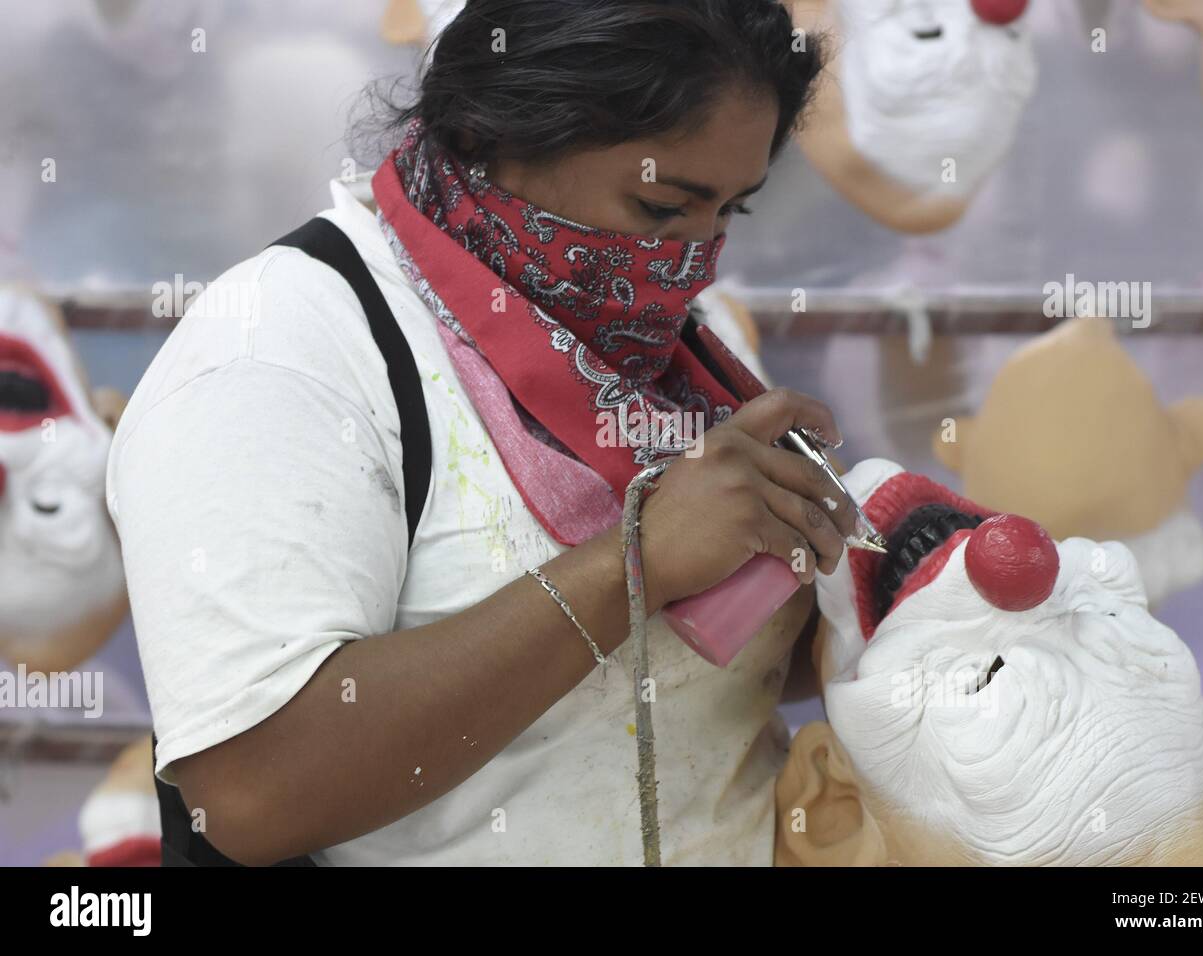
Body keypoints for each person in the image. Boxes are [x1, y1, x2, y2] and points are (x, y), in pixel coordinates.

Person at [107, 0, 863, 865]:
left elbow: (700, 675)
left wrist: (865, 574)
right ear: (485, 135)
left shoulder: (643, 347)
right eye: (660, 207)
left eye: (731, 213)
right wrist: (636, 561)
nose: (695, 258)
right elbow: (249, 792)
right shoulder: (280, 346)